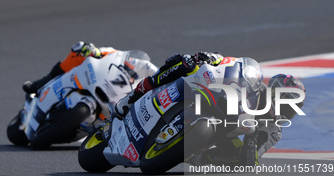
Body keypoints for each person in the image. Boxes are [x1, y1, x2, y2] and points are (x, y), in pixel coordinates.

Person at [115, 52, 306, 167]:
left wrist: (251, 144)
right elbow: (233, 65)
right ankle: (134, 96)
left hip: (223, 134)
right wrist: (213, 58)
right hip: (218, 98)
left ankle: (198, 156)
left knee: (243, 164)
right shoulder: (254, 80)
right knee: (185, 63)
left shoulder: (273, 131)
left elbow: (255, 156)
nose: (287, 109)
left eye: (292, 108)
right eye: (286, 101)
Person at [23, 41, 158, 94]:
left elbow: (152, 70)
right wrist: (94, 52)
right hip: (97, 76)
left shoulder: (140, 82)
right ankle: (44, 82)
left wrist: (160, 78)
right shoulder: (122, 57)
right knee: (79, 49)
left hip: (115, 96)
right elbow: (148, 66)